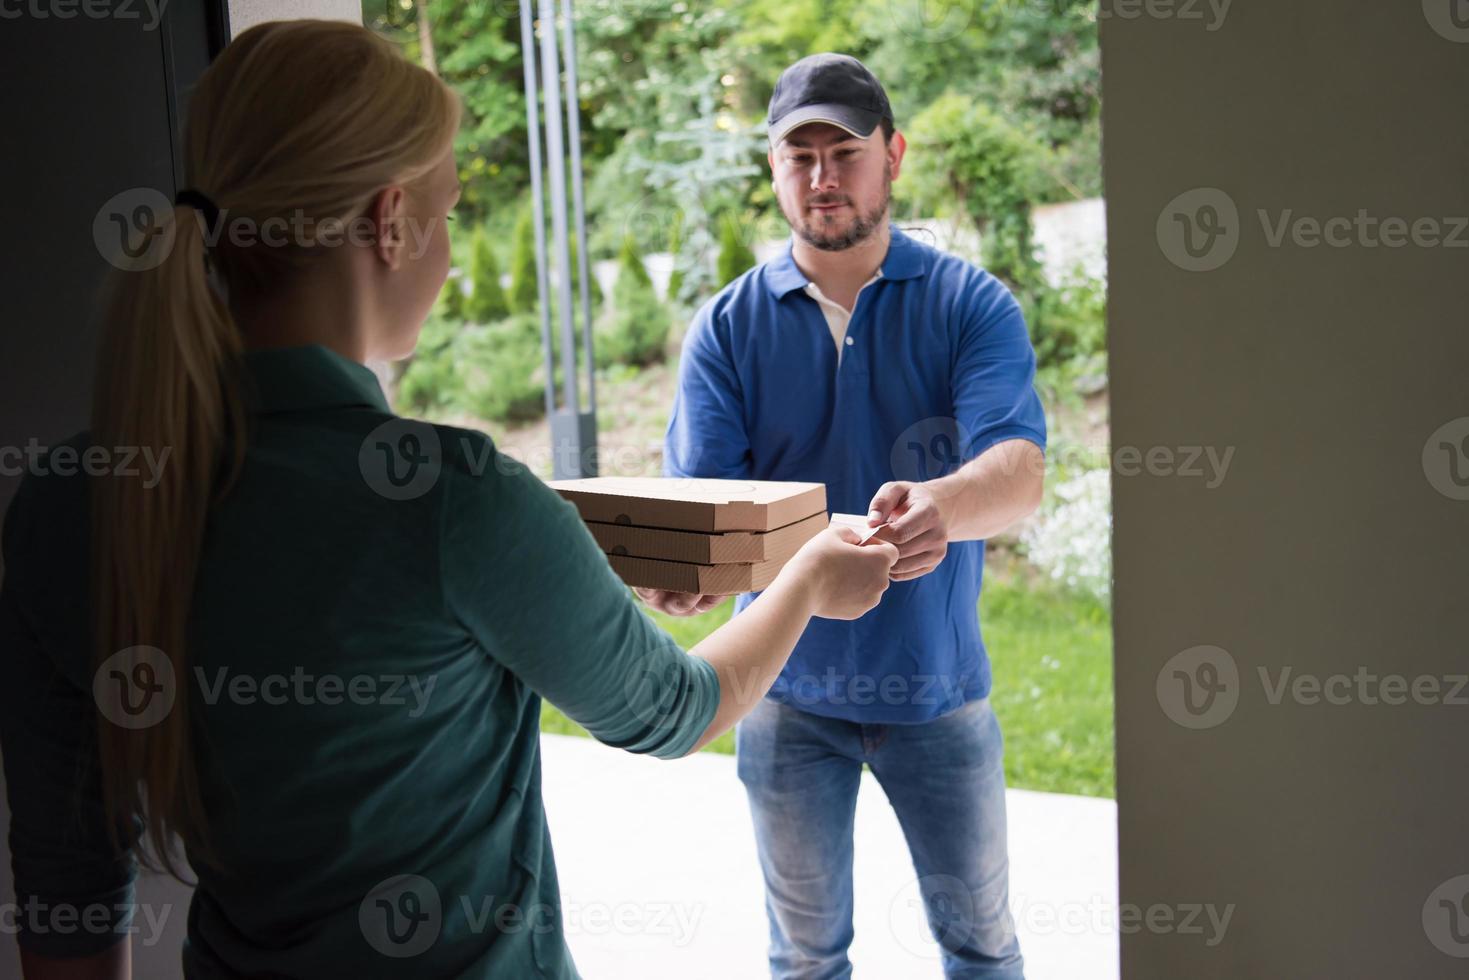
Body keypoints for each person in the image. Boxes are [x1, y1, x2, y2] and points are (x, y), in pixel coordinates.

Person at [0, 22, 901, 980]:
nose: (448, 249)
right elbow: (675, 712)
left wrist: (572, 571)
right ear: (391, 223)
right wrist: (806, 583)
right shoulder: (456, 501)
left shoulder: (67, 505)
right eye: (451, 213)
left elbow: (69, 882)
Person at [637, 53, 1047, 980]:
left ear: (892, 155)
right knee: (806, 959)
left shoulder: (968, 304)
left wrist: (942, 502)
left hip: (937, 692)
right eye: (798, 155)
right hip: (783, 698)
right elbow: (709, 512)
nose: (821, 177)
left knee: (982, 949)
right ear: (772, 168)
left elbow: (1018, 472)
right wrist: (688, 578)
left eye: (845, 151)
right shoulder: (728, 327)